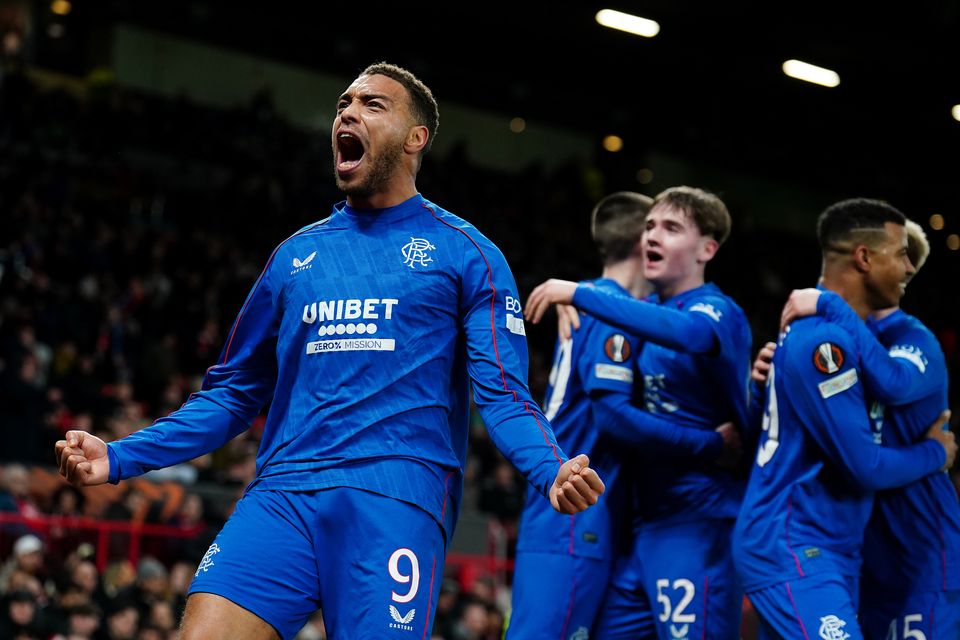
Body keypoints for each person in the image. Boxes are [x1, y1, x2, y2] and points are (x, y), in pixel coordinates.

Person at [55, 62, 604, 640]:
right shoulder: (295, 257)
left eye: (372, 105)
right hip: (282, 494)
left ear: (416, 138)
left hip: (394, 498)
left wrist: (550, 466)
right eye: (344, 103)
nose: (348, 111)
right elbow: (233, 394)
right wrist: (119, 457)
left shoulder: (467, 253)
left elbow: (504, 396)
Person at [508, 191, 739, 639]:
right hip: (577, 514)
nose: (659, 236)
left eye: (670, 228)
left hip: (573, 513)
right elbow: (613, 415)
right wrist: (712, 444)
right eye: (654, 227)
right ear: (642, 242)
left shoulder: (600, 305)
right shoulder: (607, 310)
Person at [731, 198, 957, 639]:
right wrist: (938, 451)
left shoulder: (883, 337)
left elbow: (892, 382)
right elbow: (864, 465)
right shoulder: (826, 339)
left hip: (856, 549)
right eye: (900, 255)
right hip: (800, 544)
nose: (909, 269)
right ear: (864, 258)